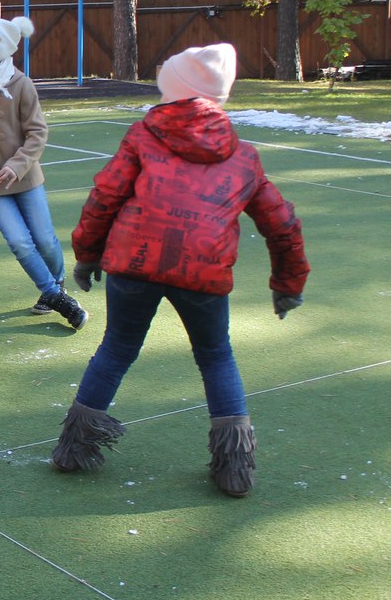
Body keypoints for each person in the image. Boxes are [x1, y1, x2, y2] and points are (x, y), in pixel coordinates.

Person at [52, 43, 308, 497]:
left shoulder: (142, 135)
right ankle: (234, 468)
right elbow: (281, 222)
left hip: (134, 263)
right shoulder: (244, 156)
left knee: (116, 349)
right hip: (203, 271)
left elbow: (104, 197)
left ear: (171, 90)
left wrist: (87, 253)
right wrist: (287, 284)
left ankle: (74, 449)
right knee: (216, 357)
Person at [0, 15, 87, 328]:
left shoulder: (21, 85)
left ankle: (57, 281)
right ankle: (53, 295)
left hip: (25, 177)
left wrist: (17, 164)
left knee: (45, 240)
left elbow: (37, 132)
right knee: (20, 242)